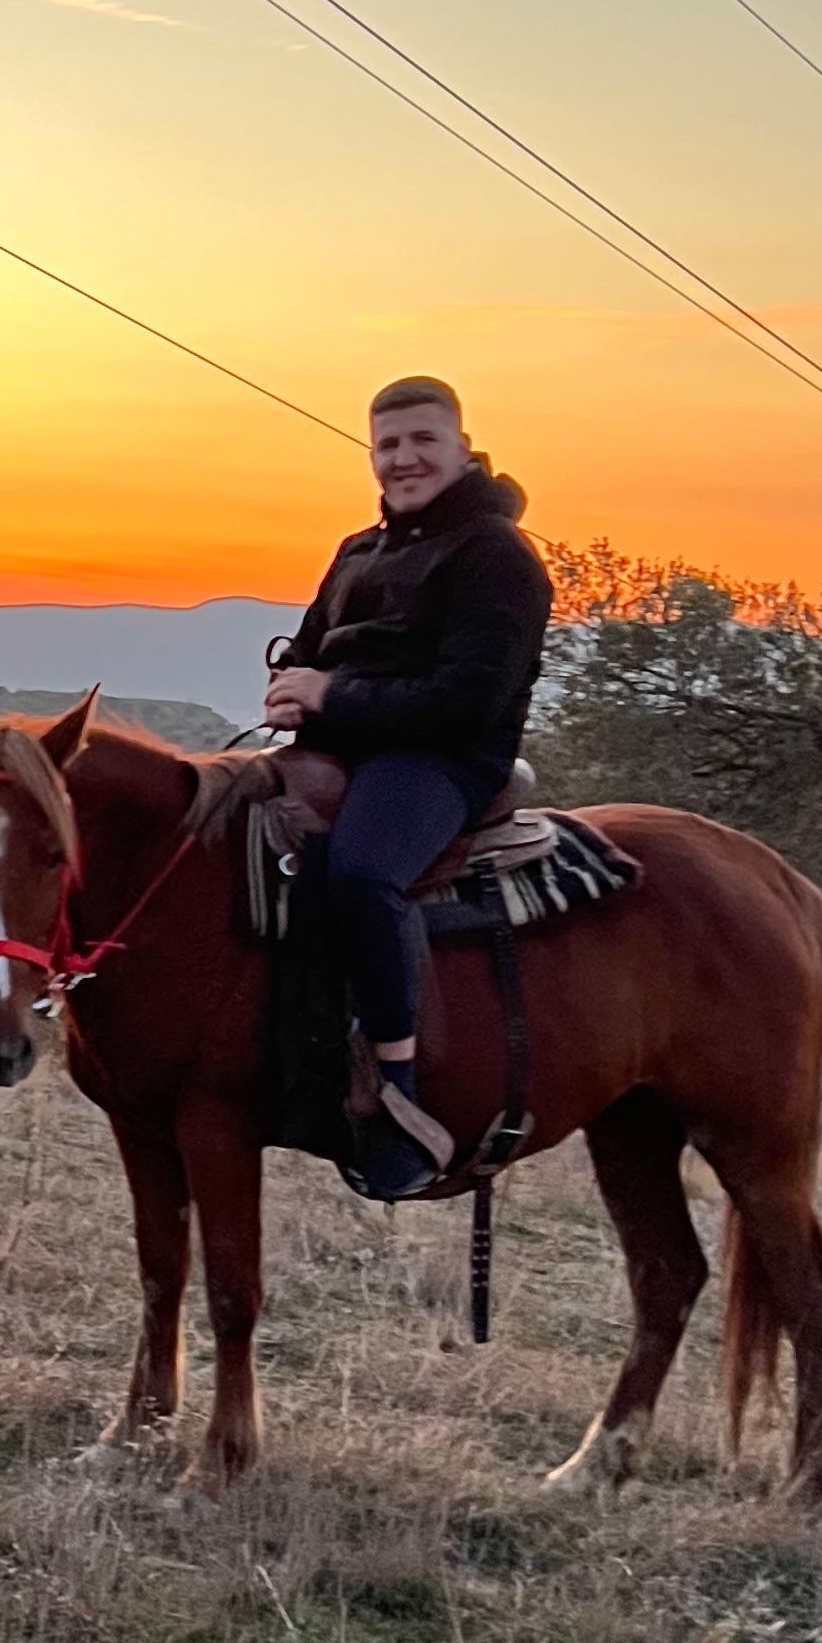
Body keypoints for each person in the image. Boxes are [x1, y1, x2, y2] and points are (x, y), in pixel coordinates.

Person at [260, 375, 552, 1200]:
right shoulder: (360, 549)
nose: (404, 458)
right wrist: (290, 688)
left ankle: (394, 1087)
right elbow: (312, 646)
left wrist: (332, 696)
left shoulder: (497, 556)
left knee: (361, 873)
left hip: (440, 760)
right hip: (338, 747)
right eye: (388, 444)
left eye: (423, 440)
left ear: (461, 447)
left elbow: (467, 700)